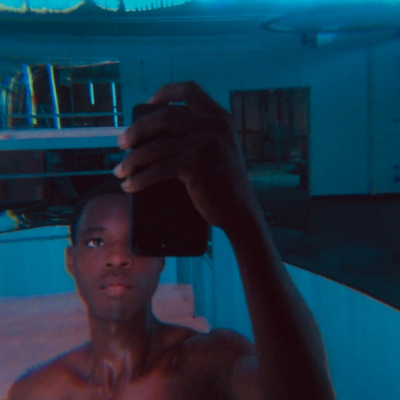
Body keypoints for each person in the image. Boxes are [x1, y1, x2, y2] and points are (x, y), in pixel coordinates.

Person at [6, 82, 336, 400]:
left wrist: (244, 220)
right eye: (96, 242)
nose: (117, 258)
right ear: (71, 260)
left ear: (161, 258)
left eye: (136, 241)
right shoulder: (36, 392)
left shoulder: (210, 364)